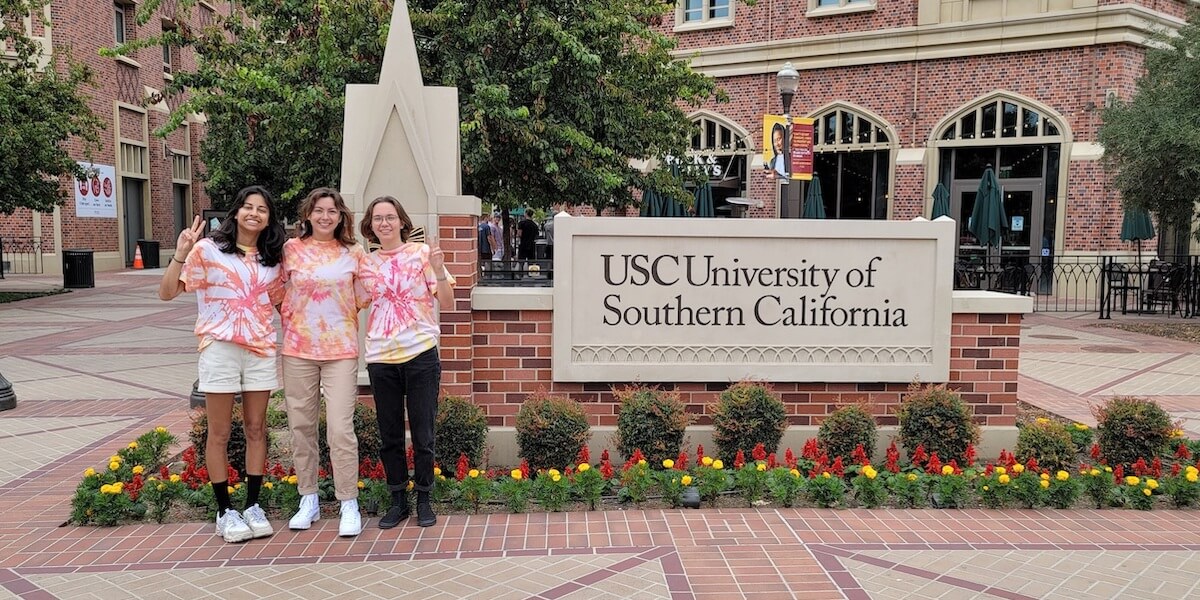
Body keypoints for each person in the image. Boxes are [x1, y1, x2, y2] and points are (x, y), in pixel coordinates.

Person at [158, 185, 285, 544]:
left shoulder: (272, 259)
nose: (254, 214)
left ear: (269, 218)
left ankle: (253, 505)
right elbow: (167, 292)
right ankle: (224, 510)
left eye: (262, 209)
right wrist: (180, 254)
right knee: (220, 432)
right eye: (248, 207)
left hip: (260, 350)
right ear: (236, 212)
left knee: (257, 428)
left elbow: (284, 306)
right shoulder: (208, 250)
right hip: (220, 348)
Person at [357, 196, 454, 528]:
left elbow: (448, 302)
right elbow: (351, 302)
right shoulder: (365, 264)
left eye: (390, 217)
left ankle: (424, 498)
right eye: (378, 218)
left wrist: (439, 270)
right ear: (370, 226)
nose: (384, 223)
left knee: (424, 433)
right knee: (390, 435)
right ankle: (398, 500)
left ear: (402, 221)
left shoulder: (422, 254)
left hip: (421, 354)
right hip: (381, 357)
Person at [279, 188, 366, 537]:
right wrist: (296, 319)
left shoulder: (354, 254)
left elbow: (365, 296)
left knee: (341, 430)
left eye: (332, 211)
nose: (325, 216)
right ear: (308, 215)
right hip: (298, 350)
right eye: (319, 210)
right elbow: (274, 292)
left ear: (341, 216)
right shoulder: (290, 250)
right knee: (301, 427)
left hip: (340, 351)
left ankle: (348, 502)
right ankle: (309, 497)